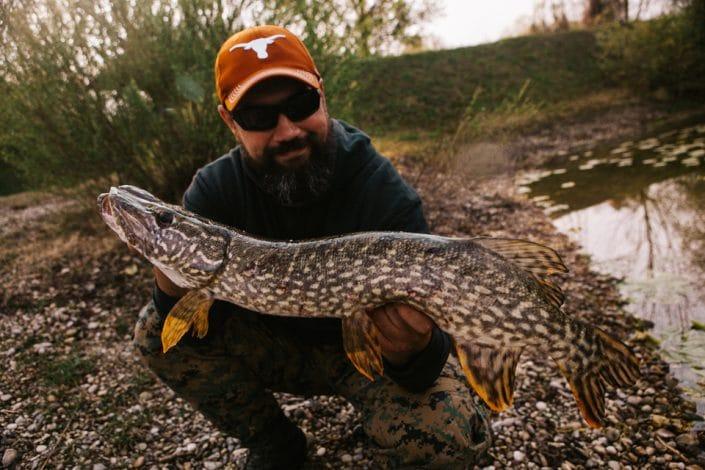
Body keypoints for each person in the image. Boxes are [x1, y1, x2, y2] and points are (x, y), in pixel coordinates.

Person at [132, 25, 491, 469]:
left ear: (322, 93)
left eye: (300, 105)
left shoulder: (381, 190)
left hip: (368, 354)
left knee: (447, 439)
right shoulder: (213, 193)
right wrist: (170, 281)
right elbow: (183, 326)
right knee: (154, 333)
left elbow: (426, 363)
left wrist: (410, 350)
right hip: (274, 344)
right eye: (258, 118)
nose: (287, 131)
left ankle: (381, 416)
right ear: (230, 121)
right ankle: (275, 444)